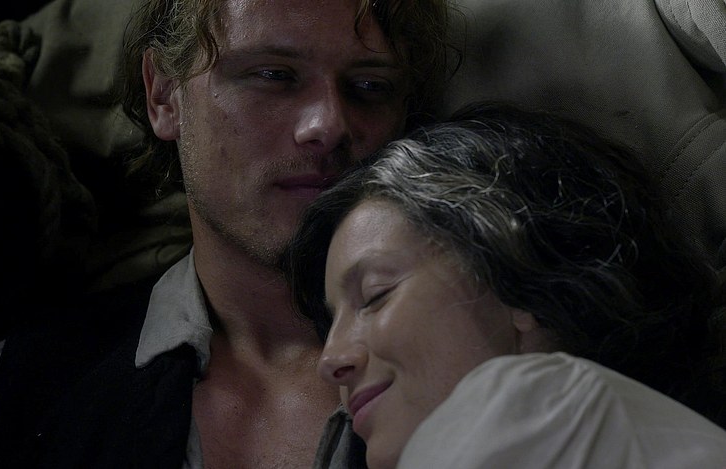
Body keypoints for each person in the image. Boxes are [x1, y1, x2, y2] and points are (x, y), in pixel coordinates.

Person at [0, 0, 455, 467]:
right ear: (163, 94)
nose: (328, 125)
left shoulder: (469, 371)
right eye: (274, 75)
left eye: (370, 86)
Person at [284, 103, 726, 469]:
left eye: (376, 295)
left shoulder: (540, 414)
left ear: (522, 277)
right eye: (332, 322)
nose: (330, 360)